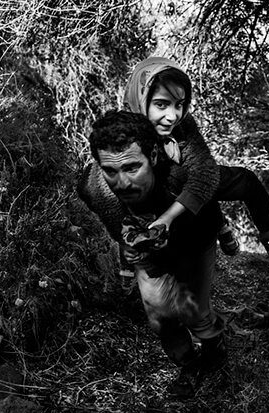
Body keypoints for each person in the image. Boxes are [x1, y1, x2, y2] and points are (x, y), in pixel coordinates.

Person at [81, 110, 226, 397]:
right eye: (110, 171)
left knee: (193, 310)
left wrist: (226, 234)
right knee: (160, 318)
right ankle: (189, 364)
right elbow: (110, 218)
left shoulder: (182, 175)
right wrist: (127, 244)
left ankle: (214, 347)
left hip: (195, 241)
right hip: (150, 250)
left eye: (133, 167)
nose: (122, 183)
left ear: (154, 157)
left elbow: (219, 194)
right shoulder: (93, 189)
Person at [123, 57, 269, 256]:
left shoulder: (183, 125)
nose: (173, 116)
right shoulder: (119, 141)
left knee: (195, 180)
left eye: (179, 104)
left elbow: (213, 176)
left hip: (182, 182)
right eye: (161, 104)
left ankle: (216, 222)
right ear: (140, 98)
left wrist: (266, 226)